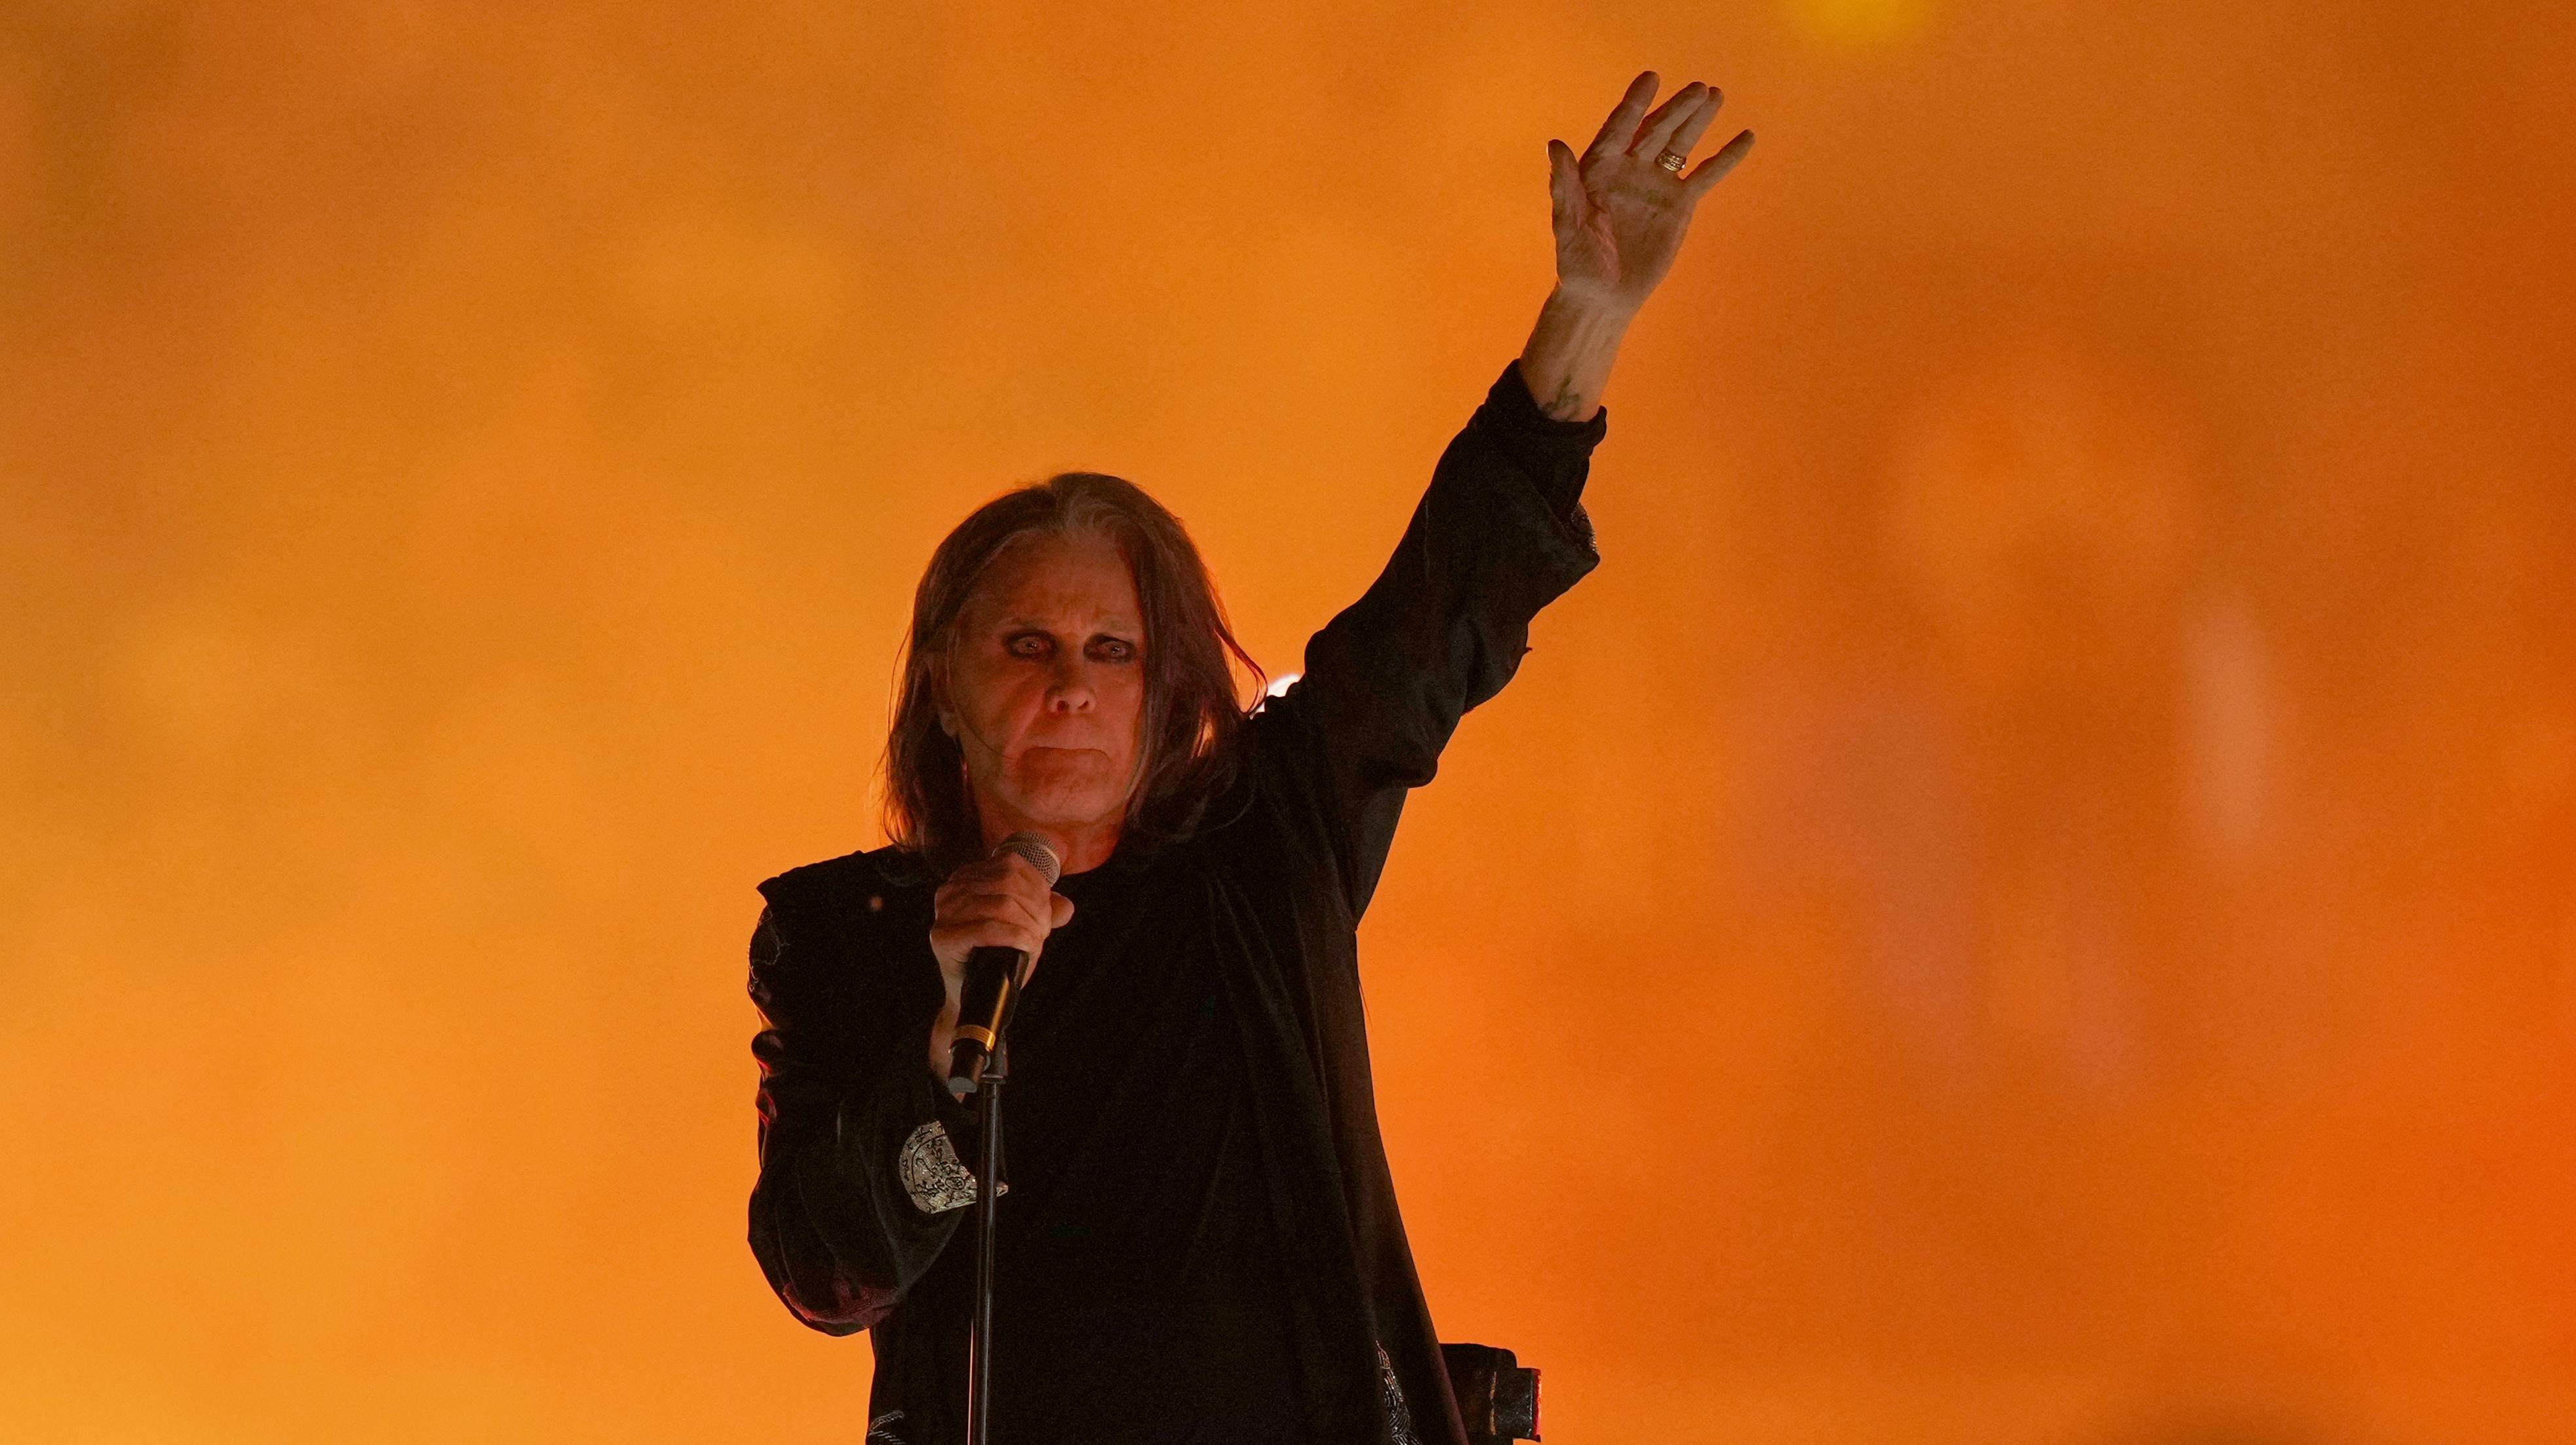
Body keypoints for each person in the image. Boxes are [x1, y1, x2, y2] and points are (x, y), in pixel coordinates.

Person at [745, 71, 1753, 1445]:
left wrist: (1585, 319)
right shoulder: (847, 935)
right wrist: (939, 1050)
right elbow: (824, 1268)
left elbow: (1434, 619)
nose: (1070, 687)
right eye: (1027, 646)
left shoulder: (1266, 843)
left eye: (1113, 651)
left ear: (1165, 691)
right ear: (943, 679)